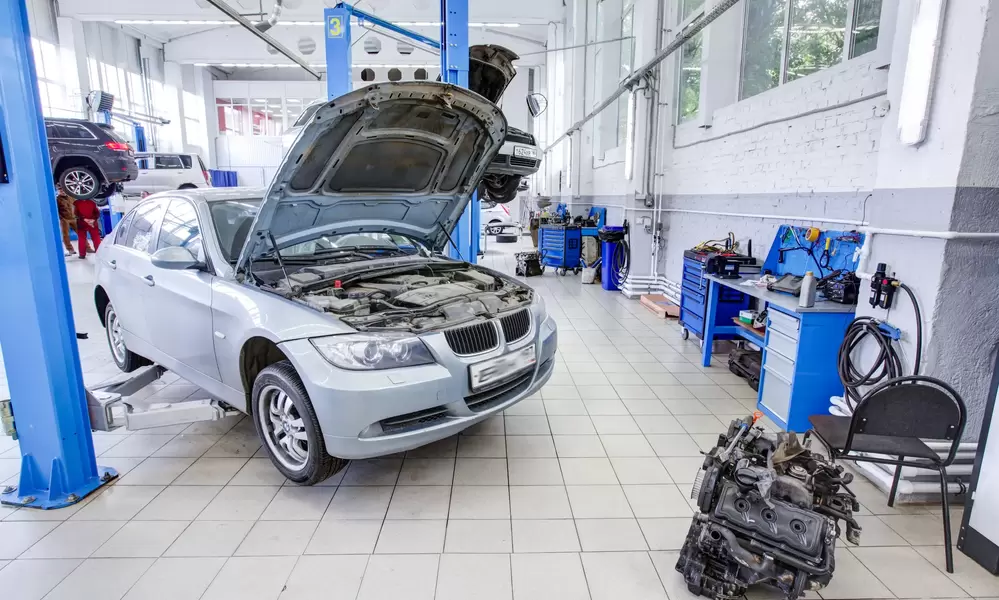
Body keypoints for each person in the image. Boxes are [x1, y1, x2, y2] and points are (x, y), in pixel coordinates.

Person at [74, 195, 102, 259]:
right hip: (92, 223)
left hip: (81, 223)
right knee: (96, 237)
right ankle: (99, 253)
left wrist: (84, 219)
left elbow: (75, 213)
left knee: (82, 238)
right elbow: (97, 212)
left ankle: (82, 255)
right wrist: (93, 219)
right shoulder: (93, 202)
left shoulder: (76, 203)